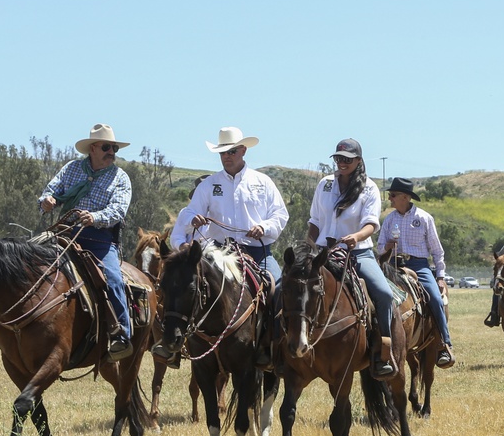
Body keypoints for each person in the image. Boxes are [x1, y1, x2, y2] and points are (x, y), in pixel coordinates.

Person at [0, 124, 134, 362]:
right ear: (93, 148)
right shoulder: (71, 169)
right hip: (63, 233)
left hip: (98, 238)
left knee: (112, 277)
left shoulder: (120, 178)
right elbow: (49, 192)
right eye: (106, 147)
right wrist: (47, 201)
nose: (112, 151)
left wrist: (94, 217)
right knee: (17, 263)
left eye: (114, 147)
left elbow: (118, 210)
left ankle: (121, 333)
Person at [308, 138, 397, 378]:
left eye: (347, 159)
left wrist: (355, 237)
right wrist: (308, 246)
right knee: (285, 288)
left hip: (357, 252)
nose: (342, 163)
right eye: (338, 158)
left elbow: (371, 223)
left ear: (358, 161)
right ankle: (279, 349)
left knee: (384, 294)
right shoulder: (324, 184)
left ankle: (382, 352)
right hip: (322, 254)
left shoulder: (369, 187)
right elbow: (315, 221)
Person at [170, 127, 288, 282]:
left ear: (243, 150)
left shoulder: (263, 182)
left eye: (232, 151)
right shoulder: (208, 185)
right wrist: (193, 218)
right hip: (220, 254)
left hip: (259, 253)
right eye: (222, 152)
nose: (226, 156)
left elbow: (280, 214)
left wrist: (263, 227)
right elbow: (189, 212)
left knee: (279, 287)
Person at [376, 177, 454, 368]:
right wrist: (387, 246)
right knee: (373, 296)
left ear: (405, 197)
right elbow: (378, 249)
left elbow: (437, 250)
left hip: (419, 265)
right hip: (392, 265)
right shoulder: (389, 220)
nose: (390, 198)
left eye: (393, 195)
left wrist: (441, 277)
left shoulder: (424, 218)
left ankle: (444, 344)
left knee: (435, 298)